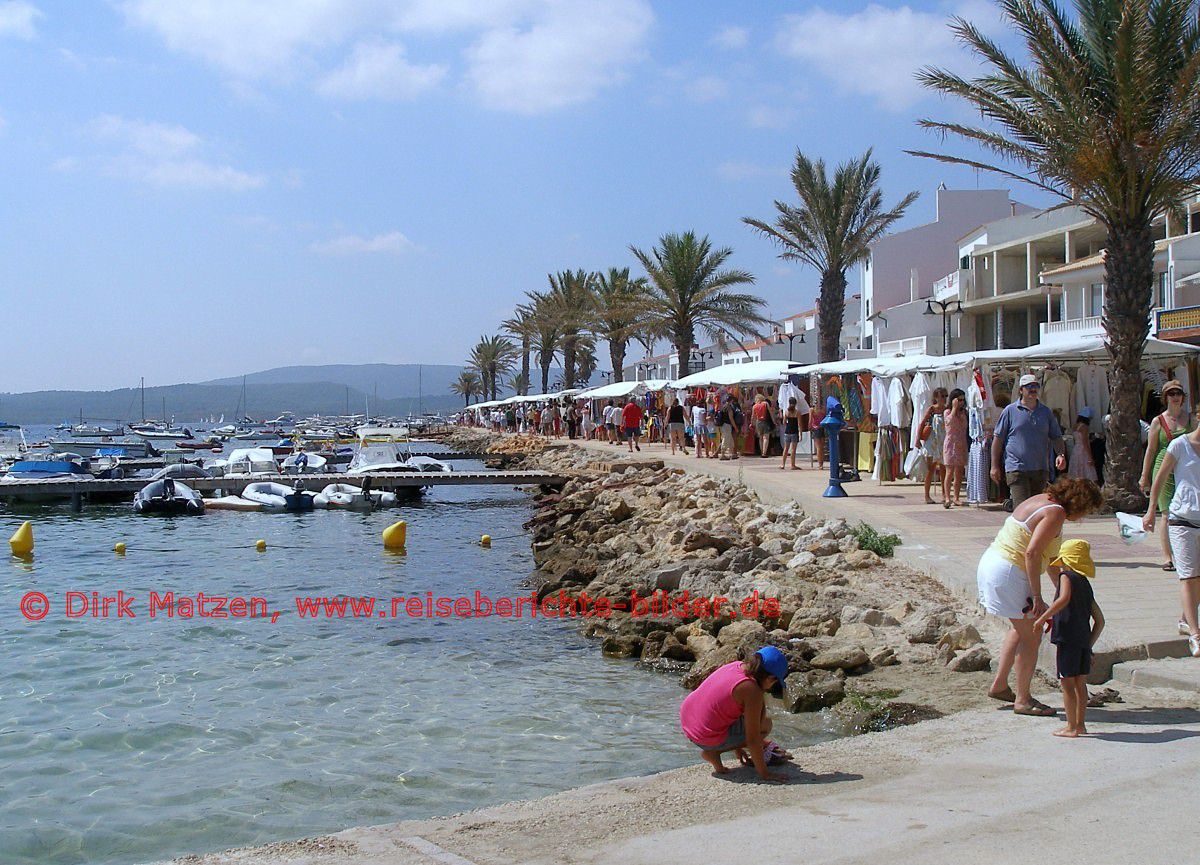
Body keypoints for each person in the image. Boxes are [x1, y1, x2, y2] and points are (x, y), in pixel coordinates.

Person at [977, 477, 1103, 716]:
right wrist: (1037, 597)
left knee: (1020, 629)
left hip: (996, 564)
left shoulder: (1044, 501)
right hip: (1009, 571)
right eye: (1086, 511)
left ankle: (1000, 685)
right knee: (1032, 635)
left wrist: (1066, 595)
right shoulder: (1055, 513)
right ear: (1079, 503)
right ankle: (1023, 700)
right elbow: (1032, 553)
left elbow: (1052, 562)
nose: (1083, 517)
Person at [679, 646, 791, 781]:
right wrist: (765, 774)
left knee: (758, 712)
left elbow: (728, 708)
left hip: (689, 720)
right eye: (775, 683)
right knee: (766, 724)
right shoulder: (751, 689)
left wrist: (737, 749)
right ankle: (713, 752)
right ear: (770, 678)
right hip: (704, 734)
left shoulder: (737, 666)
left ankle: (715, 753)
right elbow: (753, 739)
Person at [1142, 407, 1200, 656]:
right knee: (1188, 576)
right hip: (1181, 519)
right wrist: (1151, 510)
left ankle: (1186, 619)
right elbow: (1161, 478)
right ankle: (1196, 634)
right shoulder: (1180, 445)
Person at [1033, 540, 1104, 738]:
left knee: (1067, 685)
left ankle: (1071, 727)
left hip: (1068, 639)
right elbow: (1100, 621)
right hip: (1082, 641)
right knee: (1081, 685)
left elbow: (1063, 599)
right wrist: (1088, 645)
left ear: (1065, 560)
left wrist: (1042, 617)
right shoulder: (1085, 583)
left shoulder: (1067, 576)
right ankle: (1081, 725)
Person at [991, 374, 1067, 509]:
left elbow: (1056, 436)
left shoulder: (1046, 412)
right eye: (1029, 387)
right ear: (1021, 390)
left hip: (1040, 469)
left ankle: (1033, 531)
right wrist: (994, 466)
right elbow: (998, 439)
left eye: (1035, 386)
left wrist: (1061, 454)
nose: (1033, 389)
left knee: (1037, 509)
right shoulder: (1010, 411)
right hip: (1016, 468)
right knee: (1022, 508)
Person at [1140, 380, 1192, 571]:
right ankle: (1167, 557)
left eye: (1178, 393)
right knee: (1166, 513)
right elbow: (1150, 450)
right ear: (1165, 397)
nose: (1175, 396)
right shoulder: (1158, 421)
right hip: (1163, 468)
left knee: (1186, 511)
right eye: (1171, 393)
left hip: (1185, 469)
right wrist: (1144, 476)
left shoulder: (1190, 419)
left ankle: (1185, 553)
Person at [919, 387, 948, 505]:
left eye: (946, 396)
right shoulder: (931, 410)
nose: (944, 399)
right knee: (930, 469)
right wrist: (917, 439)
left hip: (943, 441)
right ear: (936, 397)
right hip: (931, 441)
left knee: (943, 469)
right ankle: (927, 495)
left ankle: (944, 494)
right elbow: (922, 424)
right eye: (942, 396)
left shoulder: (947, 410)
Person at [942, 388, 968, 507]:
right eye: (959, 400)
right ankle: (947, 497)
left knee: (959, 473)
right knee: (949, 471)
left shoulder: (964, 413)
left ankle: (956, 497)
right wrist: (954, 408)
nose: (961, 402)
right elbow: (949, 423)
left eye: (963, 400)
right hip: (951, 444)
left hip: (961, 443)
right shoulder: (947, 412)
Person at [1067, 409, 1098, 482]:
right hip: (1083, 450)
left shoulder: (1075, 426)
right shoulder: (1084, 427)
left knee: (1076, 470)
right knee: (1087, 471)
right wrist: (1090, 457)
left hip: (1076, 448)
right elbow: (1085, 442)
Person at [780, 396, 802, 471]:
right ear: (795, 403)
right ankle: (792, 465)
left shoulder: (786, 411)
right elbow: (799, 424)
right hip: (794, 432)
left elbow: (784, 422)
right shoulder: (797, 412)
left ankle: (783, 464)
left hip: (787, 431)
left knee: (786, 449)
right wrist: (800, 434)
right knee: (793, 449)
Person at [752, 393, 775, 458]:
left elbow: (753, 416)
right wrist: (773, 421)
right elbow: (770, 413)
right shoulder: (765, 404)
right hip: (765, 421)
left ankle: (762, 451)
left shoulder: (754, 406)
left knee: (760, 438)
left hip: (758, 422)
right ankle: (764, 453)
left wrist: (752, 423)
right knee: (766, 438)